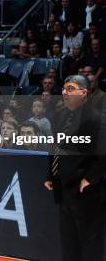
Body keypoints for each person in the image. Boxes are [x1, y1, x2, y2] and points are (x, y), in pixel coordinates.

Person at [44, 75, 106, 261]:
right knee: (68, 242)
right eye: (64, 89)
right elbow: (55, 147)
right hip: (63, 188)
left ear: (83, 93)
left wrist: (89, 180)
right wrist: (51, 174)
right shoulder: (60, 116)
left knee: (90, 244)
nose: (65, 92)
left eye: (70, 89)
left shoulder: (97, 119)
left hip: (87, 192)